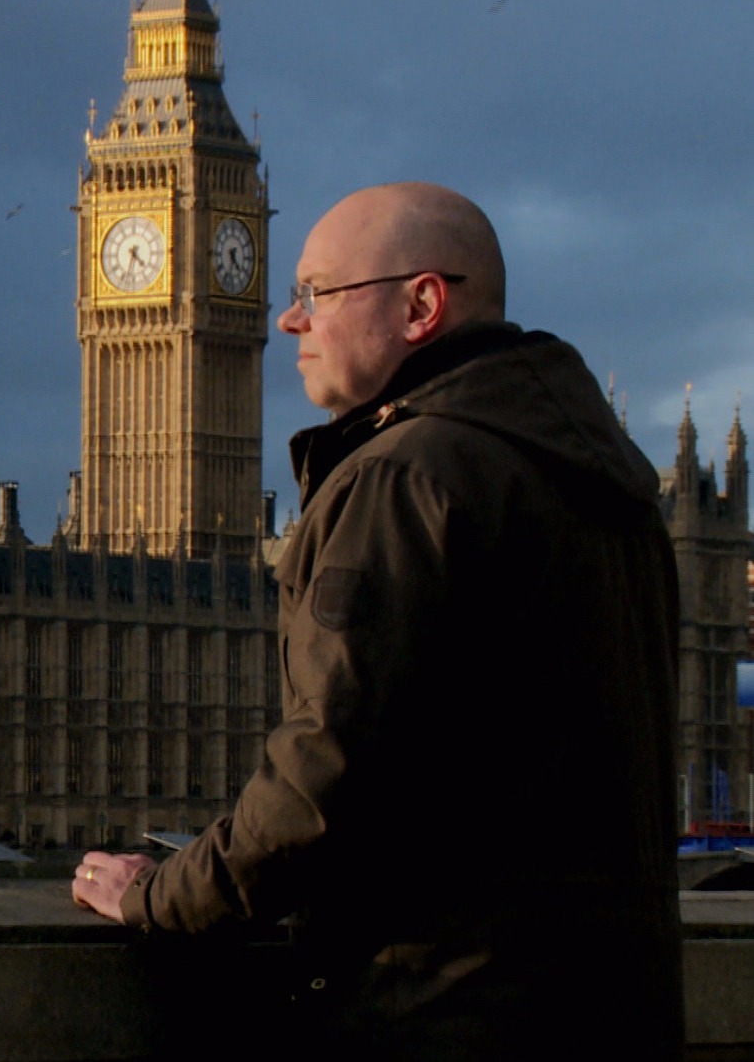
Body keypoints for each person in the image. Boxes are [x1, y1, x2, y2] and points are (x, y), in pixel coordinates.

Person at [72, 182, 684, 1059]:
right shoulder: (608, 484)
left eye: (317, 292)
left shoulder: (406, 476)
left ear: (421, 305)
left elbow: (323, 774)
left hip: (440, 1013)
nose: (290, 319)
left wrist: (159, 893)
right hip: (612, 1011)